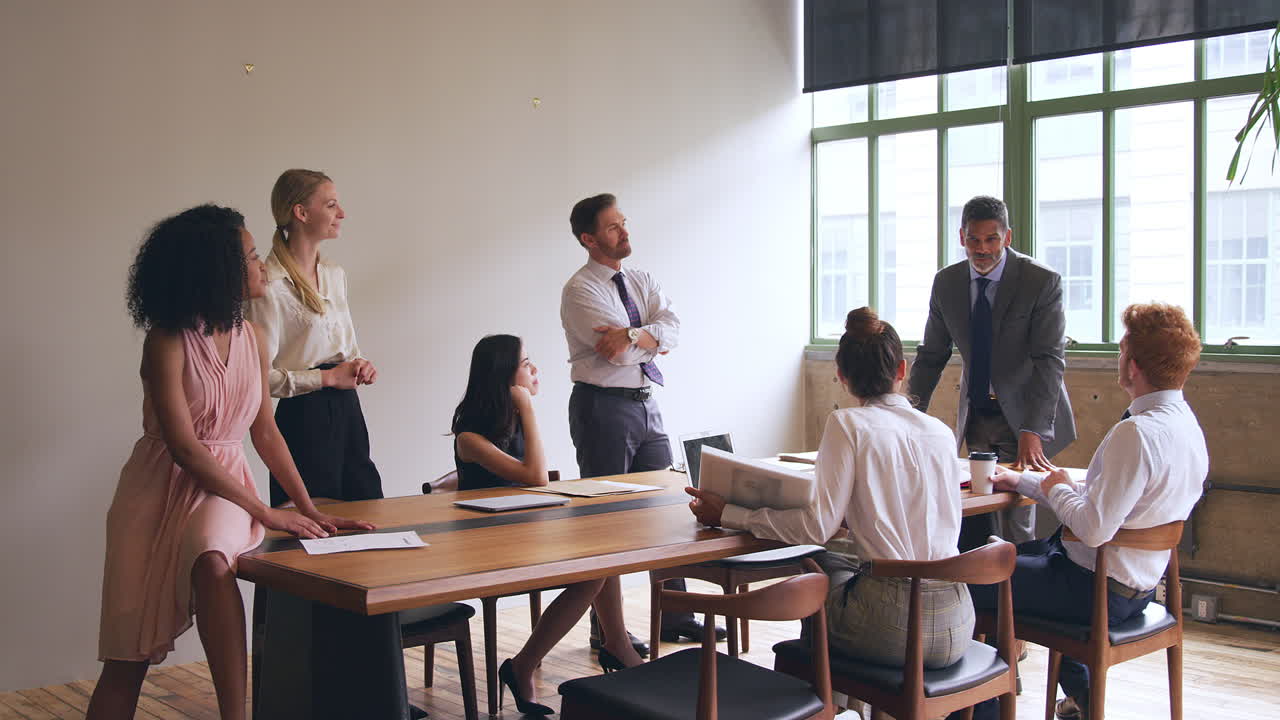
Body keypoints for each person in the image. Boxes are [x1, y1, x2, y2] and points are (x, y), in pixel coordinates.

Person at [88, 205, 373, 720]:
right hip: (155, 491)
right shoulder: (167, 340)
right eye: (248, 256)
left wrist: (308, 508)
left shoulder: (254, 338)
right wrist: (267, 512)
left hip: (222, 486)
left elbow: (266, 432)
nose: (261, 263)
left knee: (213, 556)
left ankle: (235, 715)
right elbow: (183, 447)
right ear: (216, 270)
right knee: (124, 657)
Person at [687, 307, 974, 669]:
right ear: (902, 369)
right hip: (957, 620)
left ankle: (822, 692)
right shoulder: (940, 432)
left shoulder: (847, 424)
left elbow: (817, 528)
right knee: (839, 564)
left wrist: (729, 513)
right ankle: (839, 694)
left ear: (840, 375)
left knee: (817, 568)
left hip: (895, 626)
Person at [968, 303, 1208, 720]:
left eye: (1120, 351)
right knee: (1007, 554)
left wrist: (1058, 486)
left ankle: (981, 712)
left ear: (1132, 366)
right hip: (1137, 588)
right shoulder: (1185, 425)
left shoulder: (1136, 433)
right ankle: (1082, 698)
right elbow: (1103, 500)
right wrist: (1022, 481)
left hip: (1092, 591)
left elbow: (1093, 527)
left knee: (969, 579)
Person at [559, 193, 724, 647]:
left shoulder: (642, 278)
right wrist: (646, 338)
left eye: (624, 223)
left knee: (667, 509)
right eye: (613, 228)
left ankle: (674, 614)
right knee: (607, 519)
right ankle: (605, 630)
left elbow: (672, 327)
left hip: (646, 401)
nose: (625, 232)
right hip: (602, 406)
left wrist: (636, 334)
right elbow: (612, 352)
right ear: (589, 239)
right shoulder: (581, 290)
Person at [450, 334, 644, 715]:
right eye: (525, 364)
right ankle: (529, 664)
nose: (535, 369)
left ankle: (612, 645)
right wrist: (527, 409)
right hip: (488, 545)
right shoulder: (469, 436)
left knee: (602, 554)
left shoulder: (510, 426)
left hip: (523, 531)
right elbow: (537, 476)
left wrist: (523, 412)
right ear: (503, 377)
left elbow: (535, 479)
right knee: (594, 570)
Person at [908, 195, 1076, 548]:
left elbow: (1050, 360)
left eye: (991, 240)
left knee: (1017, 518)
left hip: (1025, 416)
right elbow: (931, 356)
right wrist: (908, 414)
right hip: (977, 414)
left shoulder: (1040, 281)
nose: (982, 249)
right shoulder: (947, 283)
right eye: (973, 240)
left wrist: (1034, 429)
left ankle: (1018, 594)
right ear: (961, 237)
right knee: (977, 511)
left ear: (1008, 237)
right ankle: (981, 594)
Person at [245, 169, 382, 507]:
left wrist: (360, 365)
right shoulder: (268, 285)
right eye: (332, 205)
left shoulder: (335, 276)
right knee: (312, 531)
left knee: (371, 513)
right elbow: (261, 379)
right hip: (303, 420)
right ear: (301, 213)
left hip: (349, 412)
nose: (342, 213)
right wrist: (328, 378)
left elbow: (348, 348)